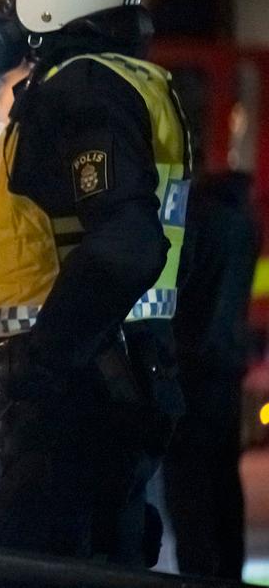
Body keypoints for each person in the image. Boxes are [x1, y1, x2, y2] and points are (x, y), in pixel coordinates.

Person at [0, 0, 188, 579]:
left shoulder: (81, 89)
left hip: (77, 399)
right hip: (119, 380)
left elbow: (130, 239)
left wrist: (44, 368)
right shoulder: (128, 82)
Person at [162, 169, 256, 579]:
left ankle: (196, 573)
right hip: (226, 370)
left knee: (188, 488)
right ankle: (228, 571)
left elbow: (185, 292)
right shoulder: (245, 225)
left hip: (192, 370)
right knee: (223, 481)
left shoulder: (197, 221)